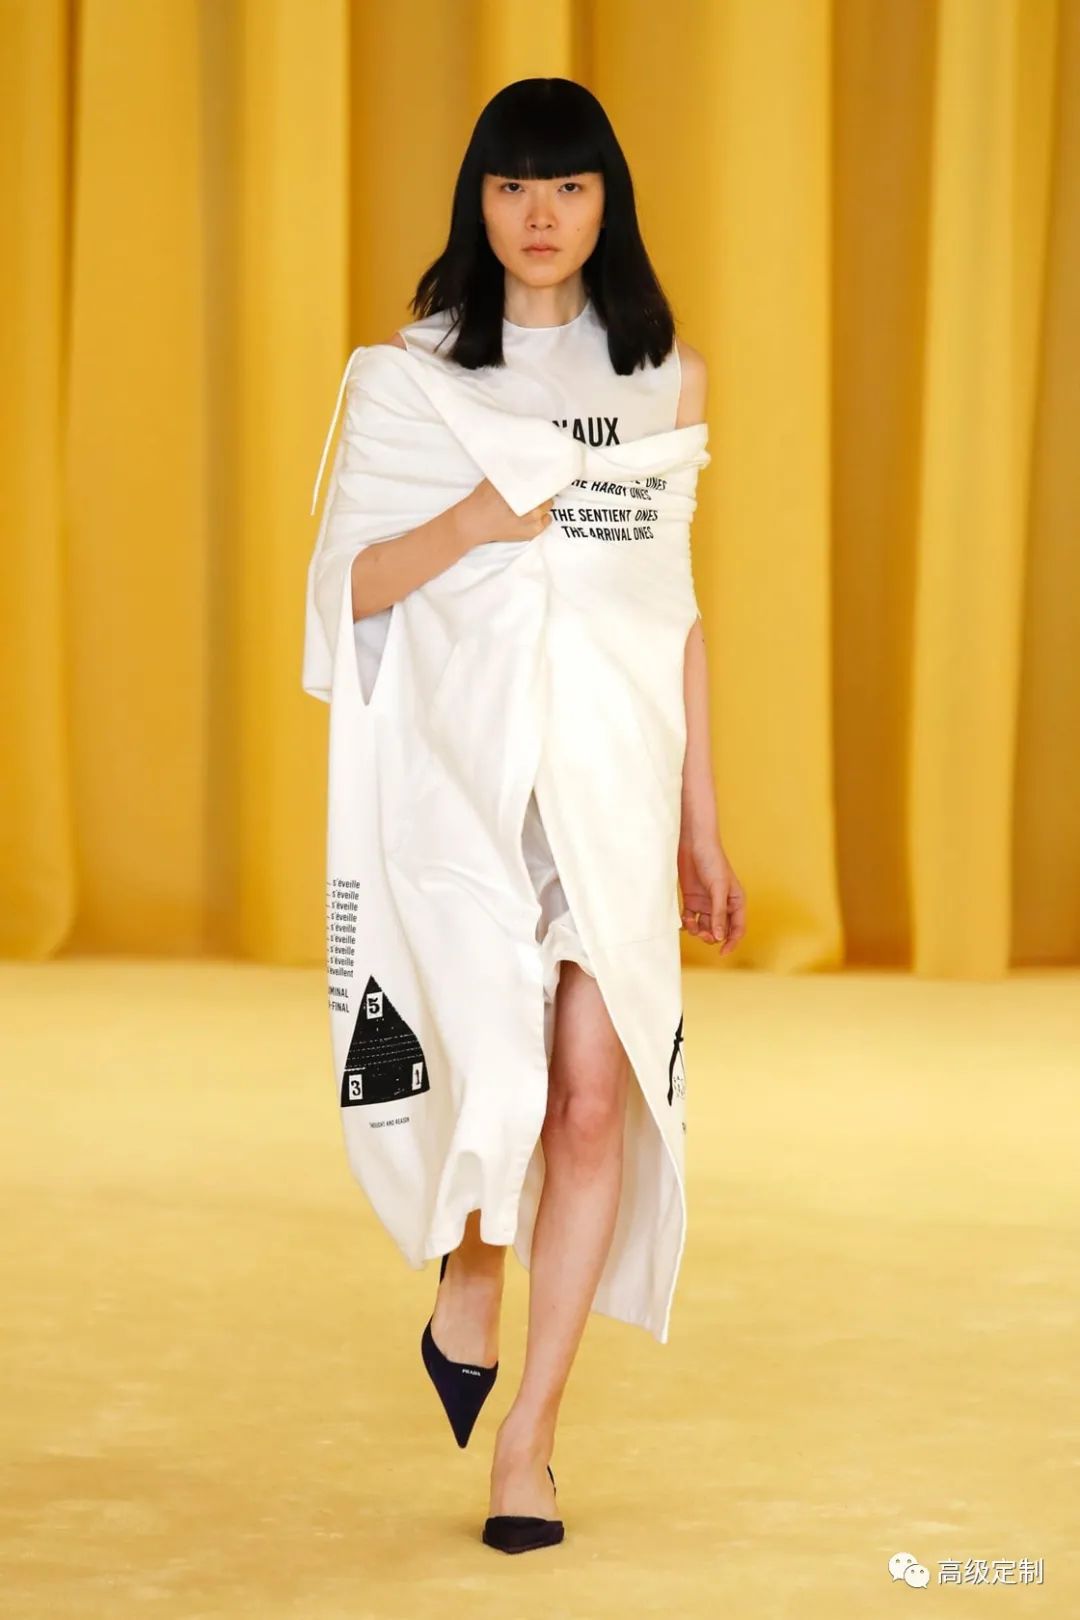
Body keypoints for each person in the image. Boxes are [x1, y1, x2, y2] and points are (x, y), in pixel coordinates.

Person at [343, 77, 746, 1550]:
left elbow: (667, 612)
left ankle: (533, 1439)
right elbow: (350, 589)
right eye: (513, 185)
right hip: (465, 790)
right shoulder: (411, 378)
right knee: (495, 1074)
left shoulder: (665, 377)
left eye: (569, 186)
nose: (540, 214)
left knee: (589, 1098)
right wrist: (475, 520)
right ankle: (471, 1261)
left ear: (605, 202)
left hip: (614, 786)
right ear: (480, 200)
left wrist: (703, 818)